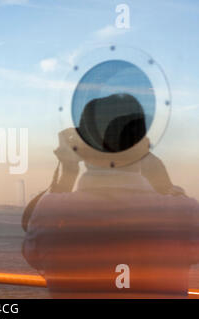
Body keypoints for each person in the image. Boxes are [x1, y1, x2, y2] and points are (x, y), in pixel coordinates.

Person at [22, 93, 199, 298]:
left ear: (83, 148)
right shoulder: (185, 213)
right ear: (144, 146)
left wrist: (67, 173)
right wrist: (165, 184)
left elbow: (33, 255)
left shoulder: (52, 211)